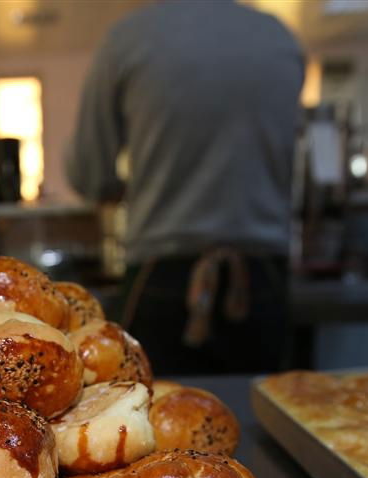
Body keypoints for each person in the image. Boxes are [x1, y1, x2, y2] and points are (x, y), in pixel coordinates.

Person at [66, 0, 304, 375]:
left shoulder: (131, 38)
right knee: (262, 416)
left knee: (151, 420)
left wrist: (145, 182)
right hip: (262, 279)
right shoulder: (279, 39)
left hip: (163, 277)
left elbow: (88, 174)